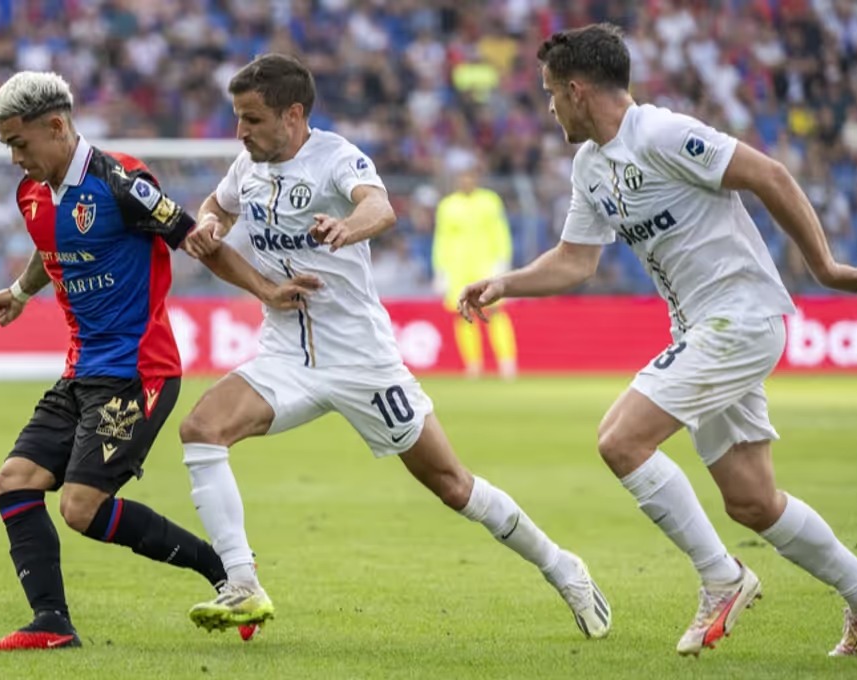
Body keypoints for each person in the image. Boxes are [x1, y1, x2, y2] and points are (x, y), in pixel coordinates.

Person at [458, 23, 857, 657]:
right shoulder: (591, 166)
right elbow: (575, 260)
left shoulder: (664, 134)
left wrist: (827, 268)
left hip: (740, 317)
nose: (548, 104)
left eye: (551, 92)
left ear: (579, 90)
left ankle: (722, 578)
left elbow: (770, 175)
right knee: (752, 501)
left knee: (620, 440)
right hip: (703, 328)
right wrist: (504, 283)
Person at [179, 54, 611, 640]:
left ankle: (564, 568)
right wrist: (208, 224)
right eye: (238, 118)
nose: (240, 131)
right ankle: (242, 584)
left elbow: (378, 206)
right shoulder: (246, 166)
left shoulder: (335, 157)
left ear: (293, 114)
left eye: (252, 119)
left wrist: (345, 227)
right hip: (285, 356)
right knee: (202, 430)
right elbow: (217, 208)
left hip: (363, 361)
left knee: (453, 485)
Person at [0, 71, 316, 652]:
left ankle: (224, 571)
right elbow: (49, 243)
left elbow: (195, 240)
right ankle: (51, 625)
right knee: (13, 483)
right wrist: (21, 290)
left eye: (19, 143)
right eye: (7, 145)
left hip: (139, 371)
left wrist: (265, 289)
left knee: (80, 508)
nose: (14, 158)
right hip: (81, 369)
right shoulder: (32, 193)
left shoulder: (122, 183)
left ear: (56, 126)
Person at [433, 168, 518, 380]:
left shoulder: (489, 201)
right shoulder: (447, 206)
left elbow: (500, 230)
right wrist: (440, 269)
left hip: (486, 265)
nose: (466, 180)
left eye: (469, 176)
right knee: (463, 314)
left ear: (476, 178)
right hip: (458, 268)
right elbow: (441, 239)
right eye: (462, 177)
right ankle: (473, 364)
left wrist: (502, 260)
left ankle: (506, 362)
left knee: (496, 311)